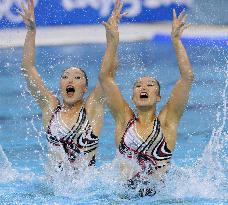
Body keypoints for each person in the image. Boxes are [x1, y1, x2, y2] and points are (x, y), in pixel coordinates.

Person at [99, 0, 194, 197]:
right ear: (133, 97)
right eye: (138, 86)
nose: (143, 87)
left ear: (158, 97)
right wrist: (113, 42)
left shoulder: (168, 123)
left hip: (160, 197)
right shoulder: (124, 121)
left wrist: (176, 41)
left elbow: (187, 78)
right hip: (124, 197)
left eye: (150, 85)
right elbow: (105, 79)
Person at [17, 0, 105, 170]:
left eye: (77, 77)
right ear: (60, 84)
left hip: (87, 190)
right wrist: (31, 31)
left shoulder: (92, 110)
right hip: (54, 190)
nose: (70, 80)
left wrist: (113, 40)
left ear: (85, 88)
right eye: (65, 77)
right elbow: (28, 69)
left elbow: (107, 77)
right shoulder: (50, 109)